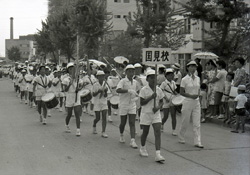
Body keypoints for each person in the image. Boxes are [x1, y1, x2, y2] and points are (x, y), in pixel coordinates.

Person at [139, 69, 165, 162]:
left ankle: (158, 154)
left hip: (156, 114)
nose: (153, 79)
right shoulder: (143, 90)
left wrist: (157, 107)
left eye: (155, 77)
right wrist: (151, 97)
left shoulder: (159, 89)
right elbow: (141, 103)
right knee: (145, 132)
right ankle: (142, 148)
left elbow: (162, 101)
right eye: (151, 77)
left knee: (157, 132)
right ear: (147, 79)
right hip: (146, 113)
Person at [178, 60, 204, 148]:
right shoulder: (184, 79)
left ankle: (197, 141)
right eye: (191, 66)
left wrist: (198, 96)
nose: (193, 68)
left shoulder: (198, 78)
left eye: (194, 67)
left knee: (197, 122)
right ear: (188, 68)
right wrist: (190, 95)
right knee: (185, 121)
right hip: (187, 101)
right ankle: (181, 136)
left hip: (196, 102)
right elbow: (181, 92)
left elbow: (198, 89)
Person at [116, 64, 140, 148]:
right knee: (123, 122)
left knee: (132, 122)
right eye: (129, 71)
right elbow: (118, 90)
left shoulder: (135, 82)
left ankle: (132, 140)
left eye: (132, 71)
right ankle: (121, 134)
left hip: (132, 104)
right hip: (123, 104)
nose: (131, 73)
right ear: (126, 72)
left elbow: (137, 91)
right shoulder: (122, 81)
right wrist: (128, 90)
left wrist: (136, 96)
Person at [62, 63, 83, 136]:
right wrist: (70, 84)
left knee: (77, 113)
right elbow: (65, 90)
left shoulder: (78, 79)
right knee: (69, 114)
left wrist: (78, 88)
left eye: (73, 69)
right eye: (70, 69)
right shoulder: (65, 79)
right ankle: (67, 125)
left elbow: (80, 87)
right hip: (69, 96)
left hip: (76, 96)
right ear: (68, 70)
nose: (72, 70)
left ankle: (78, 130)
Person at [160, 68, 178, 135]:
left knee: (173, 115)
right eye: (169, 75)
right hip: (166, 100)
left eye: (172, 75)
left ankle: (174, 130)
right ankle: (162, 124)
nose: (171, 76)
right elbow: (161, 91)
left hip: (172, 100)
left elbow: (174, 90)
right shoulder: (164, 83)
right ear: (166, 76)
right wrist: (165, 97)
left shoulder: (173, 82)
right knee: (166, 116)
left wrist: (177, 95)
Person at [92, 70, 109, 138]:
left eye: (102, 76)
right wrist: (98, 91)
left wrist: (105, 91)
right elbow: (93, 94)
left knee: (104, 117)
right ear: (97, 77)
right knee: (98, 118)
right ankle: (94, 124)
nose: (101, 77)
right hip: (97, 102)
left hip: (104, 102)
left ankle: (103, 131)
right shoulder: (95, 85)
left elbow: (105, 96)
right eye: (100, 76)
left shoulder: (106, 84)